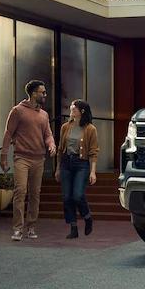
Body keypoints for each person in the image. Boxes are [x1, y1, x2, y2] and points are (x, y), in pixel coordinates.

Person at [1, 80, 56, 241]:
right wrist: (3, 157)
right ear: (33, 93)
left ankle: (31, 227)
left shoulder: (44, 115)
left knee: (35, 194)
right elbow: (8, 133)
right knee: (20, 191)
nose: (45, 95)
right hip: (22, 158)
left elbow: (48, 134)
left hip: (39, 159)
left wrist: (51, 144)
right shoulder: (18, 111)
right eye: (42, 92)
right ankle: (17, 229)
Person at [55, 99, 99, 239]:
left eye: (74, 108)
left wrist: (92, 172)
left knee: (77, 195)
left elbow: (93, 152)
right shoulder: (65, 127)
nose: (72, 110)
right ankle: (73, 227)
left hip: (82, 164)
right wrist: (57, 169)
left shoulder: (90, 129)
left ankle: (87, 218)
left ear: (82, 111)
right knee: (67, 197)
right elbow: (61, 150)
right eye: (71, 108)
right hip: (66, 163)